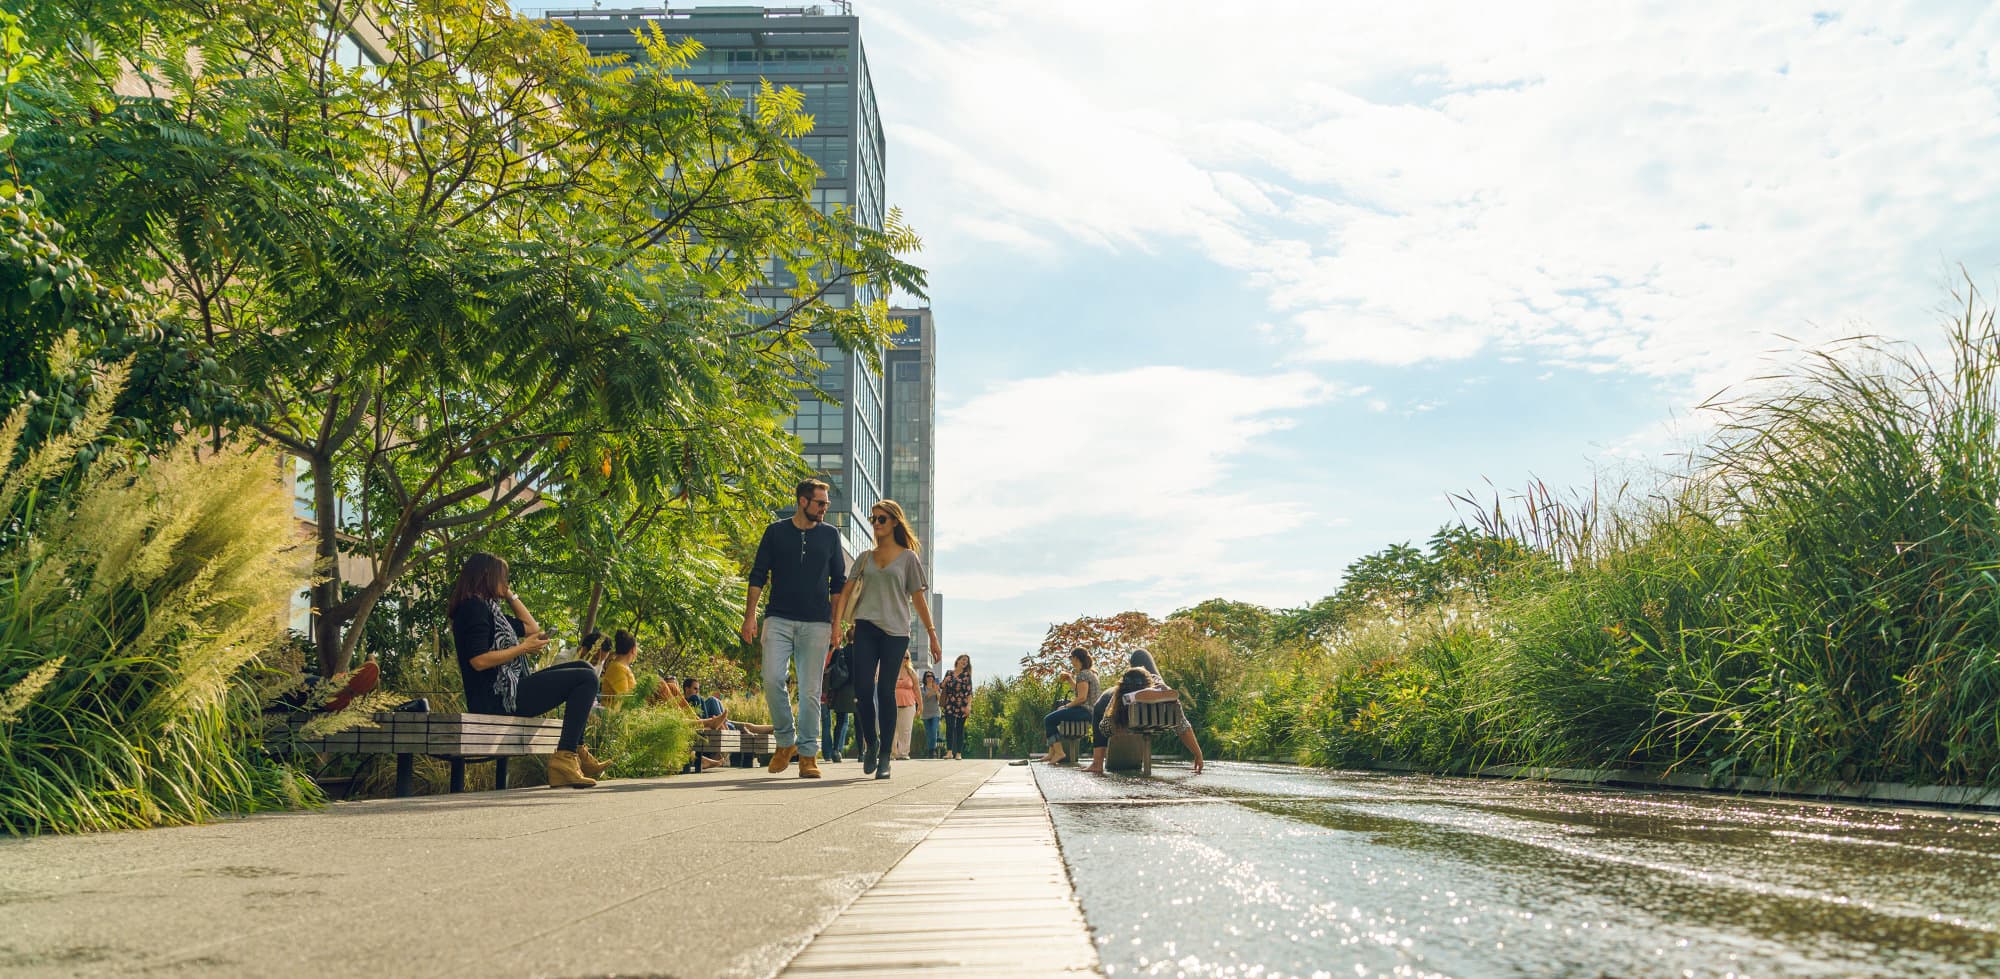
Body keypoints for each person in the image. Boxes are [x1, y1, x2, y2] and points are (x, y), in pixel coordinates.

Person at [448, 552, 611, 788]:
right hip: (495, 699)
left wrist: (510, 595)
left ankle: (575, 751)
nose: (506, 583)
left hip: (508, 693)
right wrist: (522, 648)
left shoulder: (491, 611)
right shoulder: (473, 609)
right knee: (585, 678)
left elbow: (532, 627)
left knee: (583, 667)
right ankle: (565, 758)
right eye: (503, 577)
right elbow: (479, 661)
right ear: (487, 575)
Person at [743, 479, 846, 780]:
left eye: (826, 503)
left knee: (811, 690)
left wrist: (836, 623)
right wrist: (750, 617)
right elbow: (758, 574)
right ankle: (786, 742)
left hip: (817, 623)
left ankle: (808, 755)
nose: (825, 508)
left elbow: (838, 583)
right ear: (803, 501)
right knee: (772, 677)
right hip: (778, 619)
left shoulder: (830, 536)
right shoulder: (775, 532)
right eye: (820, 503)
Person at [832, 499, 941, 780]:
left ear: (894, 521)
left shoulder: (908, 558)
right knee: (863, 691)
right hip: (865, 627)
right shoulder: (865, 557)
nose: (876, 523)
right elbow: (845, 592)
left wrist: (931, 634)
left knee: (885, 692)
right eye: (874, 519)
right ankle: (872, 742)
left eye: (882, 519)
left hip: (895, 632)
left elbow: (918, 599)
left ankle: (884, 758)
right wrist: (836, 625)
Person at [1082, 652, 1205, 775]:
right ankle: (1149, 688)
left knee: (1100, 706)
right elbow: (1183, 726)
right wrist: (1198, 754)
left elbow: (1105, 728)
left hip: (1127, 708)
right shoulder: (1166, 694)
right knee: (1140, 654)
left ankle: (1097, 764)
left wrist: (1117, 726)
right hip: (1157, 707)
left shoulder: (1118, 693)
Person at [1039, 649, 1099, 764]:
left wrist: (1066, 706)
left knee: (1049, 719)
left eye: (1071, 658)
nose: (1071, 661)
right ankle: (1052, 753)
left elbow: (1082, 698)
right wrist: (1069, 679)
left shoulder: (1083, 674)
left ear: (1076, 658)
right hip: (1090, 711)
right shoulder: (1090, 673)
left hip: (1085, 711)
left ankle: (1059, 752)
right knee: (1054, 719)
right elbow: (1079, 690)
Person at [820, 643, 857, 763]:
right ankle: (836, 751)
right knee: (843, 722)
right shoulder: (838, 652)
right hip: (834, 692)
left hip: (824, 692)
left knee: (827, 724)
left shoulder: (821, 653)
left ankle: (828, 754)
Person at [941, 655, 972, 760]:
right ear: (958, 661)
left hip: (962, 704)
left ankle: (958, 753)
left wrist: (969, 705)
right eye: (963, 660)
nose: (965, 662)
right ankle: (949, 752)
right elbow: (942, 686)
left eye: (967, 661)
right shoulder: (949, 673)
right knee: (949, 727)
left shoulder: (967, 675)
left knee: (960, 729)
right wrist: (945, 681)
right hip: (950, 703)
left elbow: (969, 692)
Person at [892, 659, 918, 760]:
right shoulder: (891, 669)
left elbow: (916, 688)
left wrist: (920, 704)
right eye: (903, 656)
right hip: (892, 704)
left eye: (907, 657)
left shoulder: (911, 672)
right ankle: (892, 753)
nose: (904, 659)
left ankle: (903, 753)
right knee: (892, 730)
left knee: (906, 730)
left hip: (908, 703)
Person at [920, 670, 942, 759]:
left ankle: (932, 750)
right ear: (925, 678)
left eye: (931, 676)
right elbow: (925, 697)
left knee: (933, 731)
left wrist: (936, 691)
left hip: (935, 713)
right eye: (928, 676)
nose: (930, 678)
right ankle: (930, 751)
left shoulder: (937, 688)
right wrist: (933, 690)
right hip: (925, 714)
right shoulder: (922, 688)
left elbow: (939, 699)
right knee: (929, 734)